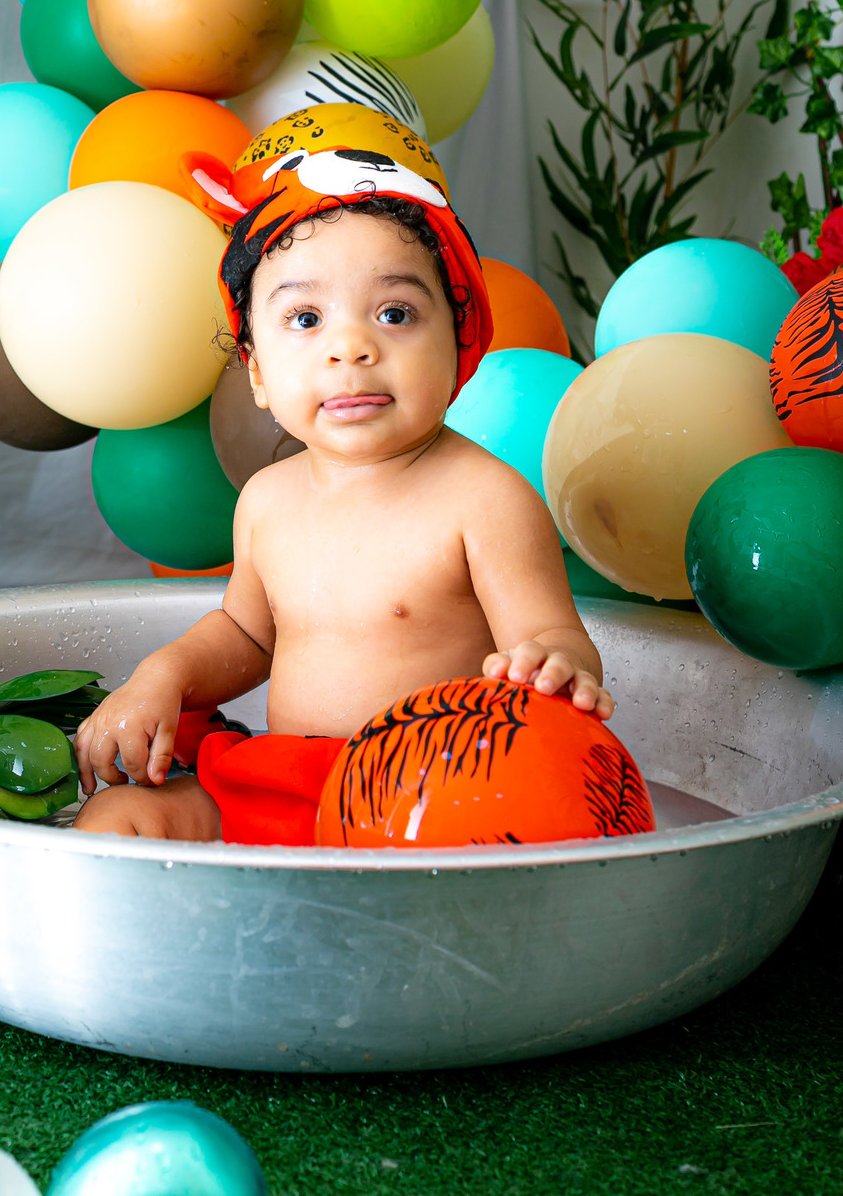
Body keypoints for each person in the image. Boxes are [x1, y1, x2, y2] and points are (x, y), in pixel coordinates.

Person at [74, 132, 612, 843]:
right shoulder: (266, 501)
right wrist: (164, 675)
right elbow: (246, 635)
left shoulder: (484, 500)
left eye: (395, 313)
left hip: (428, 798)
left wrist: (554, 664)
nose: (351, 346)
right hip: (287, 780)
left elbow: (550, 633)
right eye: (305, 319)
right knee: (119, 820)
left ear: (461, 344)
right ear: (257, 372)